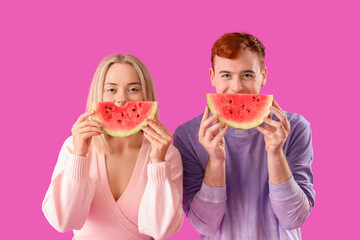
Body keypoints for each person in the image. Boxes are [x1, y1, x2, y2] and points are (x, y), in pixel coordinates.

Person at [173, 32, 315, 239]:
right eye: (226, 75)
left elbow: (294, 219)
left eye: (247, 75)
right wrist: (216, 160)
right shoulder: (187, 135)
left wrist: (276, 153)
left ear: (263, 75)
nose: (237, 87)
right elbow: (205, 225)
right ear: (212, 76)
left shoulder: (295, 128)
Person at [42, 54, 183, 240]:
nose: (121, 99)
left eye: (133, 89)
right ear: (98, 96)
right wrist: (79, 156)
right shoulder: (73, 146)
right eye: (111, 89)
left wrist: (158, 162)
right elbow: (63, 222)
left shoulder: (167, 155)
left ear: (146, 96)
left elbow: (161, 231)